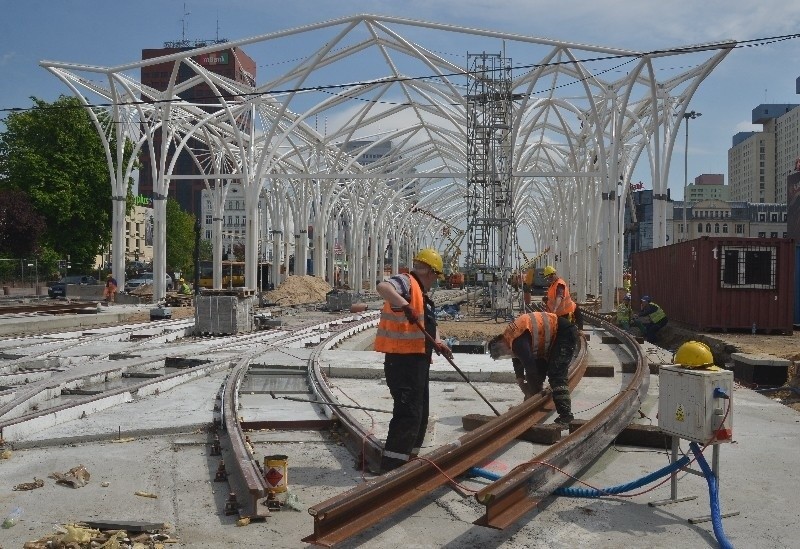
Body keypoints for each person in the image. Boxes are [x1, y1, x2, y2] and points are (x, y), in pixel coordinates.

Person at [374, 248, 453, 474]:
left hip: (418, 362)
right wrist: (404, 303)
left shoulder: (424, 296)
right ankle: (392, 467)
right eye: (436, 275)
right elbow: (383, 287)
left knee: (420, 412)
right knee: (408, 412)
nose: (436, 280)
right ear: (428, 270)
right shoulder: (407, 282)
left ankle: (410, 460)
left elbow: (428, 325)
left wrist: (438, 342)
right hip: (402, 362)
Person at [487, 311, 577, 426]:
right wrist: (520, 380)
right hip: (549, 340)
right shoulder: (509, 337)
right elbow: (518, 360)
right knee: (538, 375)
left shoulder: (517, 342)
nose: (507, 354)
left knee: (556, 374)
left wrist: (531, 393)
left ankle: (566, 416)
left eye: (504, 353)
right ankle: (534, 401)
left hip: (563, 333)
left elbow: (530, 368)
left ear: (500, 344)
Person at [543, 265, 582, 329]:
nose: (549, 279)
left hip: (567, 312)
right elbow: (553, 297)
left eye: (549, 277)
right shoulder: (553, 285)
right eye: (547, 278)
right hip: (560, 313)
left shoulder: (559, 284)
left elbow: (559, 297)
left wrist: (555, 309)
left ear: (553, 275)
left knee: (567, 331)